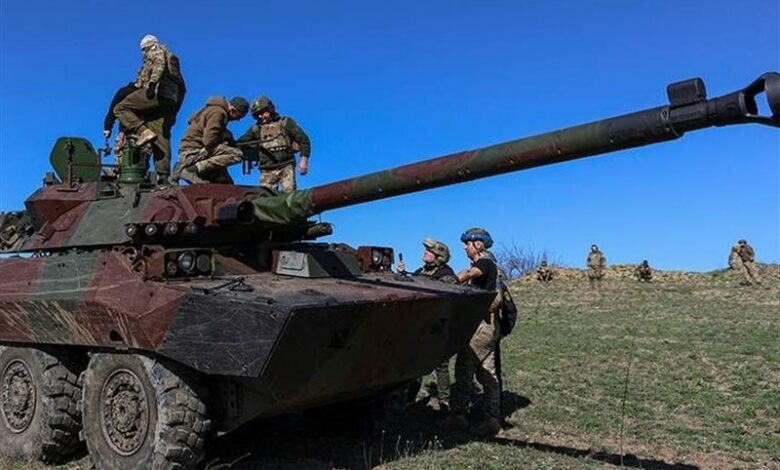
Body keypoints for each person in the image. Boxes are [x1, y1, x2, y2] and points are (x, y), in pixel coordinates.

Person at [439, 228, 501, 437]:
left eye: (468, 244)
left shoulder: (484, 262)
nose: (465, 247)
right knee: (487, 373)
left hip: (481, 327)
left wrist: (452, 280)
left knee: (464, 369)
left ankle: (458, 417)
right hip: (491, 327)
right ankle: (492, 419)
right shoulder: (492, 262)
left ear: (477, 244)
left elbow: (472, 274)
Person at [112, 35, 185, 182]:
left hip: (159, 94)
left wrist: (152, 84)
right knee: (161, 135)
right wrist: (175, 109)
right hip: (172, 100)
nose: (143, 54)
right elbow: (183, 88)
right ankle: (164, 176)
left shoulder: (157, 50)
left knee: (120, 108)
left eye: (143, 50)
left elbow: (159, 64)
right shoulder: (174, 63)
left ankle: (142, 131)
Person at [398, 239, 457, 409]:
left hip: (438, 324)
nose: (425, 253)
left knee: (441, 363)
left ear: (438, 257)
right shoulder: (420, 271)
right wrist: (402, 275)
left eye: (429, 251)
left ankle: (444, 400)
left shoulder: (446, 274)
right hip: (420, 324)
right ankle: (409, 398)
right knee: (415, 363)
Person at [237, 96, 311, 193]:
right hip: (267, 170)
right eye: (257, 114)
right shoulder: (256, 129)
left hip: (286, 166)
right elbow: (242, 142)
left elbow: (304, 140)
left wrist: (303, 161)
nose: (260, 116)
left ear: (270, 109)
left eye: (262, 112)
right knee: (266, 200)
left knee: (289, 197)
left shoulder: (285, 122)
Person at [172, 97, 249, 184]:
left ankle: (183, 169)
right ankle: (190, 170)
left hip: (188, 152)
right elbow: (209, 141)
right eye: (239, 116)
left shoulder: (210, 109)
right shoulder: (219, 112)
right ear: (233, 110)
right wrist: (224, 142)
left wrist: (226, 136)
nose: (237, 120)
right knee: (237, 154)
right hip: (193, 153)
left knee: (225, 183)